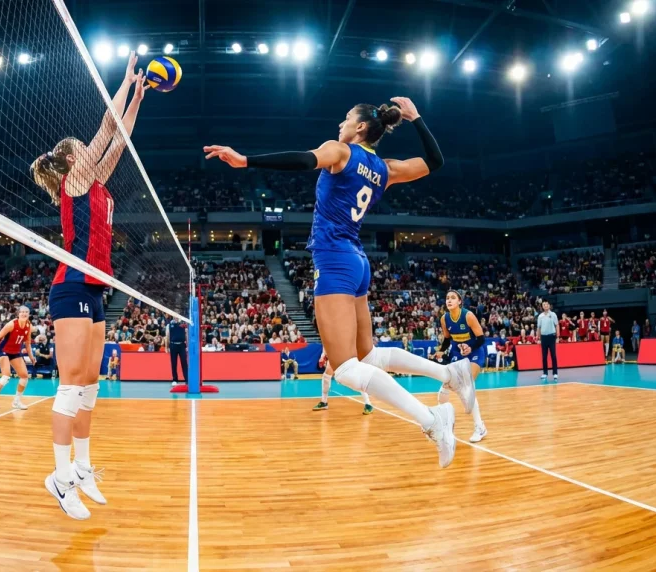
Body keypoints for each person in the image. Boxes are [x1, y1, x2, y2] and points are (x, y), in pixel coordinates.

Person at [205, 96, 468, 468]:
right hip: (357, 259)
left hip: (334, 258)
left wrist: (245, 159)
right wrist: (417, 119)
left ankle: (432, 421)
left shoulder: (341, 151)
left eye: (346, 118)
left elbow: (302, 159)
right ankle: (447, 373)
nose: (339, 124)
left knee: (344, 368)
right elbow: (435, 162)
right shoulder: (384, 168)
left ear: (360, 127)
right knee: (368, 356)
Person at [31, 52, 146, 519]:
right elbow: (106, 126)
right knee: (71, 382)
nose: (91, 149)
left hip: (95, 288)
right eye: (84, 147)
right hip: (73, 284)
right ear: (72, 158)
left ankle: (81, 467)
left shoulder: (95, 182)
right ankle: (59, 479)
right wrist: (121, 83)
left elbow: (119, 138)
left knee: (92, 384)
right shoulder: (75, 180)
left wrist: (138, 98)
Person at [432, 290, 488, 443]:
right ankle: (441, 424)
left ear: (459, 302)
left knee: (466, 386)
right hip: (457, 350)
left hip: (475, 350)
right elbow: (447, 340)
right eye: (447, 297)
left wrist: (470, 347)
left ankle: (480, 427)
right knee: (446, 384)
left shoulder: (468, 316)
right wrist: (441, 351)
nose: (449, 300)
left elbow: (481, 338)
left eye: (453, 298)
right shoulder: (444, 319)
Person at [0, 307, 34, 413]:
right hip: (3, 350)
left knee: (24, 376)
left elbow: (27, 343)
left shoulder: (29, 326)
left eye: (26, 312)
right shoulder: (11, 324)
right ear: (18, 313)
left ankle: (16, 402)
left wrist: (31, 356)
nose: (24, 314)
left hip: (15, 352)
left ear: (29, 314)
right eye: (22, 312)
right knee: (6, 377)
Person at [313, 348, 372, 413]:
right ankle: (324, 402)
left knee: (353, 379)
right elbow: (325, 343)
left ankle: (368, 403)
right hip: (333, 355)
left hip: (345, 354)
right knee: (326, 376)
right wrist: (323, 355)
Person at [537, 301, 559, 381]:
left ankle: (555, 373)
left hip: (551, 337)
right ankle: (545, 373)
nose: (545, 306)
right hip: (543, 337)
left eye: (547, 304)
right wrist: (538, 338)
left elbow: (557, 325)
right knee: (544, 356)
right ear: (542, 307)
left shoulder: (553, 314)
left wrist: (557, 336)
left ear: (549, 306)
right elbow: (538, 328)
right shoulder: (540, 316)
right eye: (544, 305)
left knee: (553, 355)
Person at [166, 316, 188, 387]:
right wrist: (167, 347)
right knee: (174, 363)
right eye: (175, 316)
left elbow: (186, 335)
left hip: (182, 345)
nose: (176, 317)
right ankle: (175, 380)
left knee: (184, 362)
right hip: (173, 345)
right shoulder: (169, 325)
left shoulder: (183, 324)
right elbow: (167, 336)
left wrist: (187, 346)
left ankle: (187, 380)